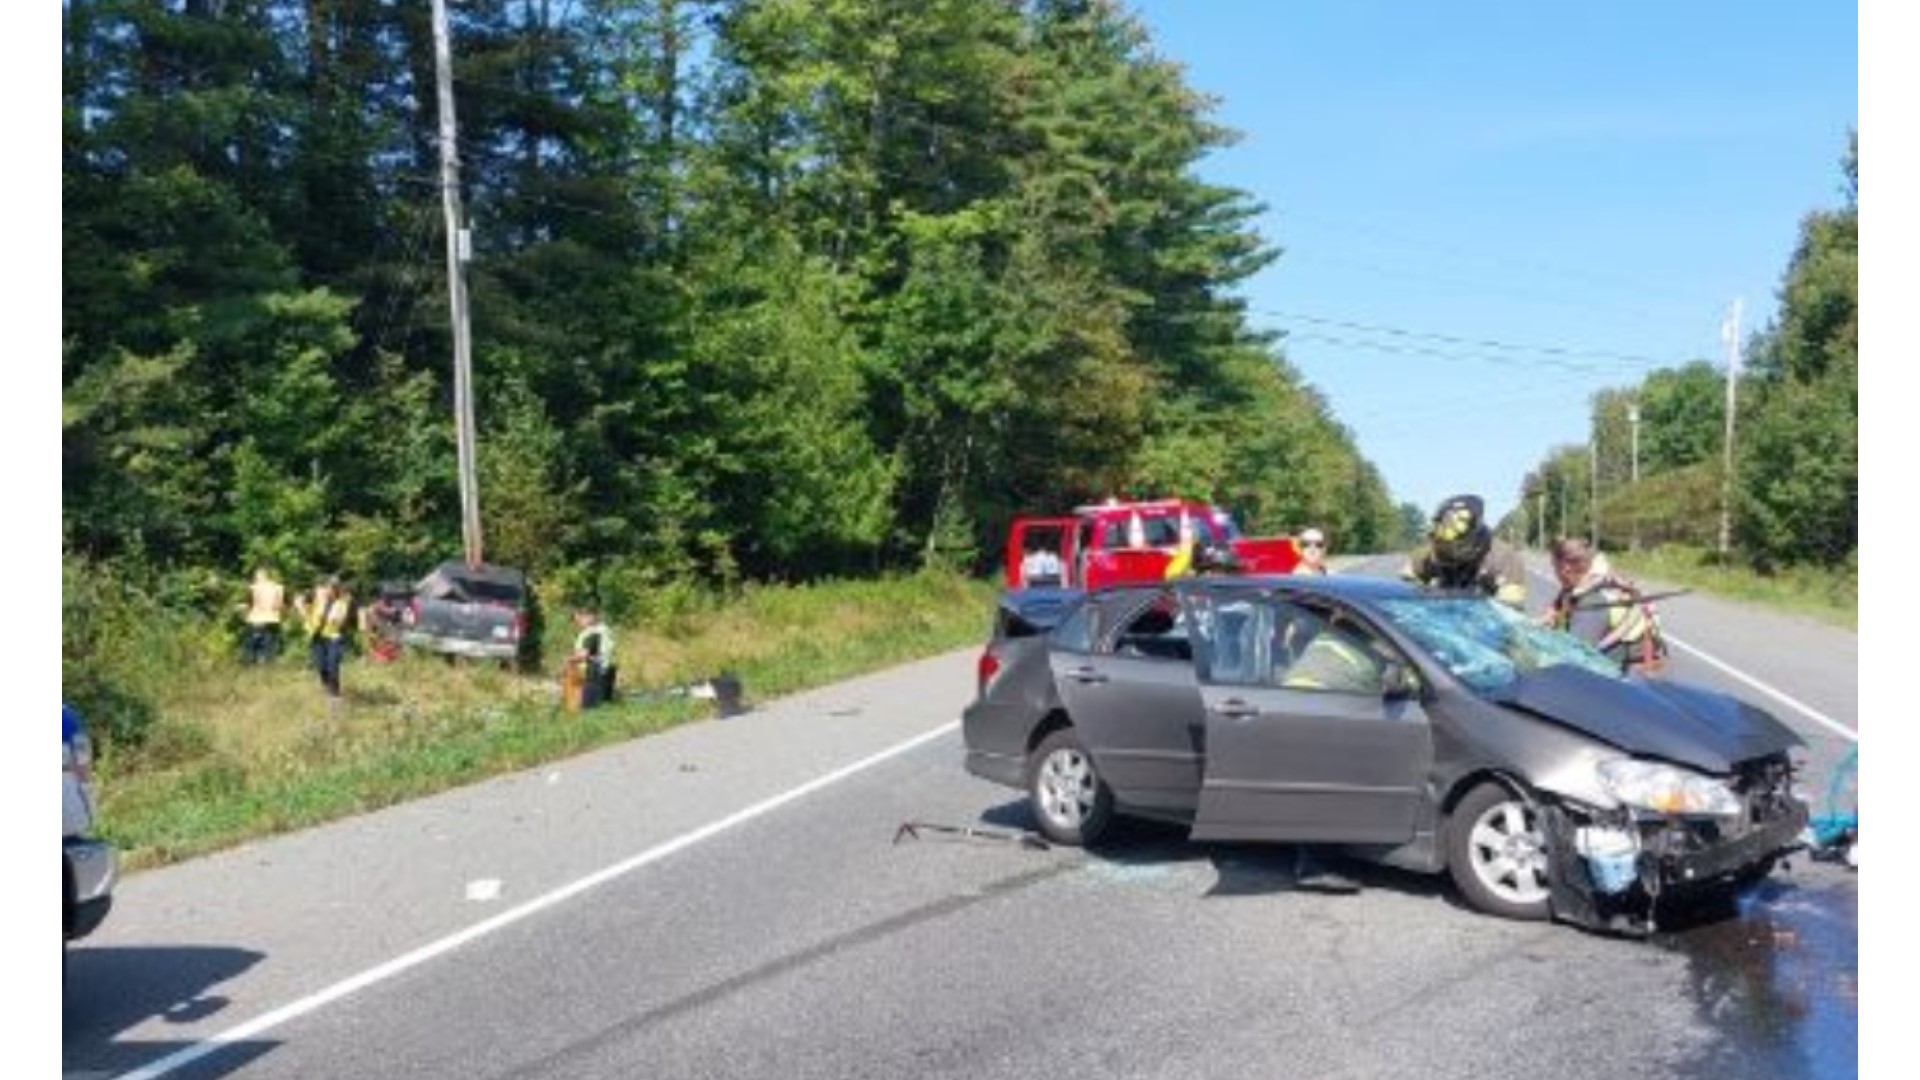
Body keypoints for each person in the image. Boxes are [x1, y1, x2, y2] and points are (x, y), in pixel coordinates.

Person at [1543, 537, 1668, 675]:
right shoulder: (1584, 583)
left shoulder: (1591, 602)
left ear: (1565, 568)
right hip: (1634, 661)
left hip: (1635, 672)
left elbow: (1575, 656)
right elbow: (1558, 604)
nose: (1554, 572)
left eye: (1554, 566)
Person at [1402, 494, 1528, 609]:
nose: (1449, 553)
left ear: (1475, 539)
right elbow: (1407, 583)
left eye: (1456, 548)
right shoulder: (1429, 553)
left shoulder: (1503, 558)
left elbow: (1509, 613)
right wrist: (1424, 593)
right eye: (1443, 548)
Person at [296, 575, 355, 706]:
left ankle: (335, 695)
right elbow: (299, 601)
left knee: (332, 664)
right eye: (329, 587)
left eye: (334, 588)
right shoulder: (316, 595)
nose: (330, 591)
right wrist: (303, 613)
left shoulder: (345, 600)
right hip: (317, 636)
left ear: (338, 589)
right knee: (321, 666)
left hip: (335, 636)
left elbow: (349, 618)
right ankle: (327, 687)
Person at [569, 605, 617, 709]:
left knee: (589, 707)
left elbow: (583, 655)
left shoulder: (593, 632)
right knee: (604, 703)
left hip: (594, 672)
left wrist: (569, 660)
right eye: (575, 620)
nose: (578, 623)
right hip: (607, 669)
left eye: (580, 618)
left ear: (590, 617)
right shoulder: (605, 629)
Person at [240, 566, 286, 664]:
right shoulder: (278, 587)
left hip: (256, 619)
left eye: (256, 576)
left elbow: (249, 604)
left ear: (261, 576)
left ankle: (250, 665)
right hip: (273, 619)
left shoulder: (253, 587)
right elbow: (279, 605)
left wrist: (242, 608)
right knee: (269, 645)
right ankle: (268, 667)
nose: (255, 578)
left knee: (250, 645)